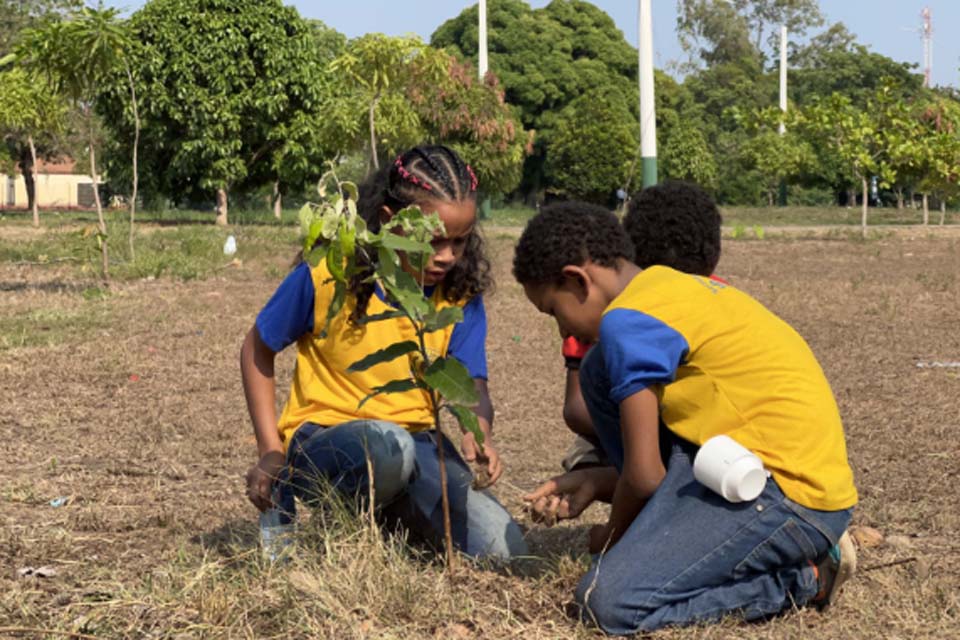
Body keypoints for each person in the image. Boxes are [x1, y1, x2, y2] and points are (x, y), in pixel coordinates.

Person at [513, 201, 858, 634]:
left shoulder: (626, 323)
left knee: (607, 602)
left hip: (792, 500)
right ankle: (661, 531)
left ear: (577, 280)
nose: (562, 330)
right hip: (760, 471)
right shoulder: (666, 285)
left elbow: (645, 477)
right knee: (598, 369)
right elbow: (647, 468)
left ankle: (806, 578)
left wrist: (613, 540)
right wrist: (598, 481)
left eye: (553, 311)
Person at [241, 144, 527, 561]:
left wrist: (478, 429)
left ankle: (392, 518)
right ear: (391, 221)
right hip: (324, 440)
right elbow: (256, 349)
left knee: (503, 551)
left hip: (418, 443)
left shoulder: (459, 295)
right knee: (390, 446)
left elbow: (471, 383)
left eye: (460, 241)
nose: (448, 256)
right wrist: (270, 449)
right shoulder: (330, 275)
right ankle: (339, 514)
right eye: (434, 240)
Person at [559, 181, 725, 473]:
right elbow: (578, 410)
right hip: (662, 435)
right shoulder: (603, 313)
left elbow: (575, 409)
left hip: (703, 442)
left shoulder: (617, 309)